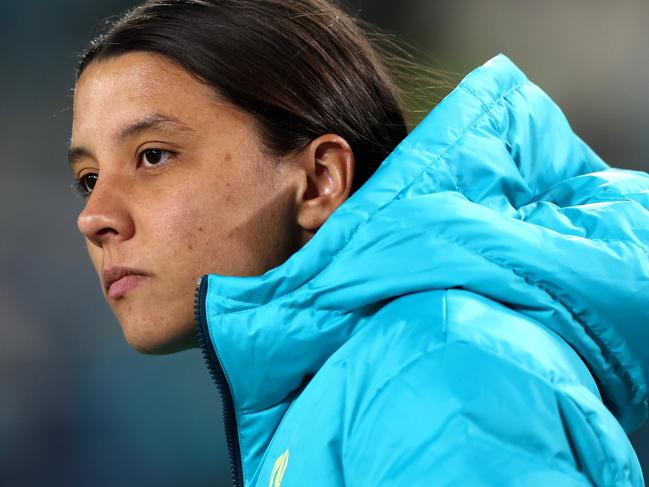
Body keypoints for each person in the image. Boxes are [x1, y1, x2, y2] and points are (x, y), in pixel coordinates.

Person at [69, 0, 649, 485]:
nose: (94, 217)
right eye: (88, 180)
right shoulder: (367, 377)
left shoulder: (434, 369)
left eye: (153, 156)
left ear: (320, 180)